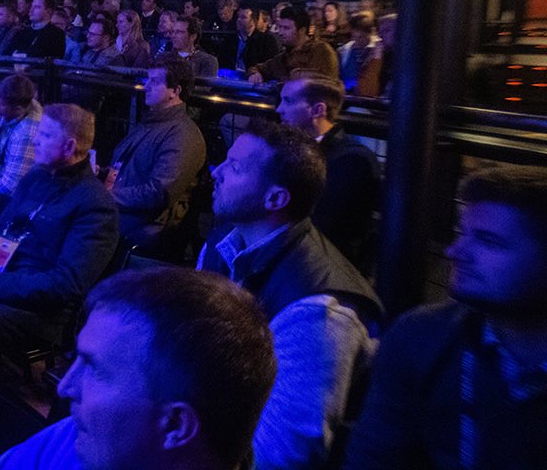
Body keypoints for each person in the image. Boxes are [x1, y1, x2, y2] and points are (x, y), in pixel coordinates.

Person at [199, 120, 383, 470]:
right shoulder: (225, 243)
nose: (216, 172)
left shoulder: (320, 310)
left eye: (235, 167)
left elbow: (281, 457)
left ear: (276, 198)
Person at [344, 167, 547, 469]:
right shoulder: (419, 336)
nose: (454, 251)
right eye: (461, 234)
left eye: (489, 241)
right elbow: (374, 459)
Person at [0, 268, 277, 470]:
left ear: (175, 425)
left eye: (94, 369)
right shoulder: (82, 438)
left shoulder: (102, 441)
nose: (65, 387)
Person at [0, 104, 118, 351]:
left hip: (35, 314)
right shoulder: (35, 177)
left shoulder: (95, 205)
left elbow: (65, 284)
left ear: (69, 147)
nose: (35, 141)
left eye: (45, 135)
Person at [276, 73, 382, 272]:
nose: (279, 109)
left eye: (288, 101)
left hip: (323, 270)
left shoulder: (352, 161)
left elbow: (326, 230)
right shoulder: (296, 147)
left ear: (318, 110)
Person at [104, 58, 206, 252]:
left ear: (175, 92)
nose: (145, 86)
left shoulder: (183, 134)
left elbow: (158, 193)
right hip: (121, 213)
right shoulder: (151, 123)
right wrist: (101, 174)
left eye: (154, 82)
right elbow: (128, 169)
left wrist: (106, 195)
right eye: (147, 80)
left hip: (140, 225)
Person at [247, 6, 339, 84]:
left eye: (286, 28)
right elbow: (259, 68)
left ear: (302, 30)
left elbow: (324, 84)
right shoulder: (283, 57)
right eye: (280, 27)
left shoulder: (321, 51)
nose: (280, 32)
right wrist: (255, 74)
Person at [218, 4, 281, 74]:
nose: (238, 20)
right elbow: (222, 62)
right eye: (238, 17)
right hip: (229, 78)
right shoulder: (229, 40)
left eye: (243, 17)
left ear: (254, 21)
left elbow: (272, 65)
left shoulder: (266, 40)